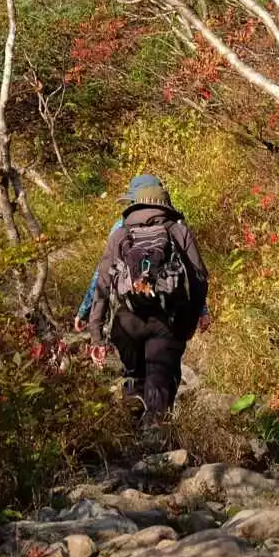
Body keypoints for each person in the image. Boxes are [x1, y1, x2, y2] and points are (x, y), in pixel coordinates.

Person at [84, 175, 209, 418]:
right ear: (165, 205)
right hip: (168, 320)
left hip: (126, 321)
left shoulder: (119, 235)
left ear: (136, 205)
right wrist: (191, 321)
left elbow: (102, 285)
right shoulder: (178, 230)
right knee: (160, 379)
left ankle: (133, 430)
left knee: (134, 375)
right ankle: (156, 438)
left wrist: (97, 336)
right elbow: (199, 279)